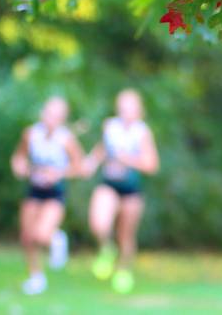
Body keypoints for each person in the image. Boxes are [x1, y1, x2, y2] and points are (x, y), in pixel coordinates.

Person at [84, 89, 159, 294]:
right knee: (98, 224)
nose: (126, 111)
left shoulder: (142, 132)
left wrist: (128, 159)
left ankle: (123, 270)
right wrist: (91, 162)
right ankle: (106, 249)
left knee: (125, 235)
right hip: (108, 183)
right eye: (122, 107)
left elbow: (152, 164)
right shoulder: (110, 126)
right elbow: (102, 149)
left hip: (131, 189)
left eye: (131, 107)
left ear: (139, 110)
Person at [11, 96, 83, 295]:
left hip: (55, 193)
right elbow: (19, 156)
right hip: (34, 190)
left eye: (56, 115)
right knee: (27, 237)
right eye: (48, 113)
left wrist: (59, 173)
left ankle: (57, 238)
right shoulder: (31, 134)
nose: (50, 118)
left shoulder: (66, 139)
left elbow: (80, 166)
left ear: (62, 119)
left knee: (41, 234)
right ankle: (36, 277)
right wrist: (19, 166)